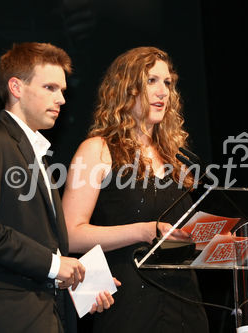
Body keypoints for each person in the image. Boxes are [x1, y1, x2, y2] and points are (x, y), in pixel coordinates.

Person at [0, 42, 118, 333]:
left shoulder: (37, 153)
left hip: (43, 316)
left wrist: (81, 283)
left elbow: (39, 243)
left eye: (63, 90)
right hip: (2, 320)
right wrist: (54, 265)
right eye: (50, 88)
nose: (62, 99)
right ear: (16, 87)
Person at [62, 46, 209, 332]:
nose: (163, 91)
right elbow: (69, 234)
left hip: (186, 305)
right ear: (127, 89)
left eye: (167, 83)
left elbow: (183, 236)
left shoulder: (178, 157)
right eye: (151, 80)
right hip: (129, 306)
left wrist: (219, 240)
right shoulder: (98, 150)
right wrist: (145, 230)